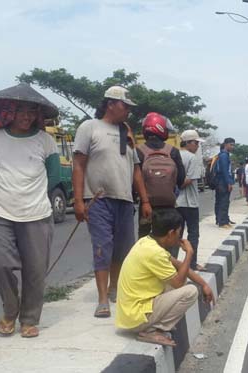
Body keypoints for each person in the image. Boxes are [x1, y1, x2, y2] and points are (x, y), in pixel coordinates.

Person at [0, 83, 60, 338]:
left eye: (32, 111)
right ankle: (10, 311)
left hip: (37, 214)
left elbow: (53, 176)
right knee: (0, 265)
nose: (27, 116)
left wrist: (34, 196)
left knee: (35, 271)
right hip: (1, 212)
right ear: (10, 111)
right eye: (21, 110)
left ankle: (29, 319)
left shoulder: (46, 141)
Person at [72, 86, 151, 318]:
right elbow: (78, 164)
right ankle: (102, 299)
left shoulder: (126, 132)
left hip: (124, 200)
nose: (127, 110)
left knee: (122, 249)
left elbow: (135, 168)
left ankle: (115, 288)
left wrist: (145, 200)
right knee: (102, 248)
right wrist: (78, 201)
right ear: (110, 104)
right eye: (124, 106)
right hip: (98, 200)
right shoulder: (90, 127)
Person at [115, 209, 214, 347]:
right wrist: (189, 254)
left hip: (129, 313)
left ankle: (154, 324)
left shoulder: (147, 242)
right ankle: (153, 329)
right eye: (179, 233)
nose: (180, 237)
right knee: (190, 291)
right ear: (170, 233)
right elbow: (179, 283)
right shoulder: (155, 253)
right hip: (136, 317)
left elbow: (179, 265)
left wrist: (204, 284)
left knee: (177, 282)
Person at [136, 112, 186, 245]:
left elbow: (134, 181)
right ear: (162, 129)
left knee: (144, 242)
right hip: (169, 206)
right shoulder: (173, 151)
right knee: (169, 241)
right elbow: (181, 179)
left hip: (146, 207)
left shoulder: (138, 151)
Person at [176, 130, 205, 270]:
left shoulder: (174, 155)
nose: (198, 146)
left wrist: (173, 189)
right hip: (190, 203)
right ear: (188, 143)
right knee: (193, 234)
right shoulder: (193, 158)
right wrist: (179, 186)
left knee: (176, 235)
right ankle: (192, 264)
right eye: (196, 142)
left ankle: (172, 263)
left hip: (176, 203)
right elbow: (189, 180)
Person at [215, 138, 236, 228]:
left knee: (221, 201)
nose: (232, 147)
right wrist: (229, 183)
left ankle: (223, 219)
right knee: (223, 201)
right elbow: (224, 171)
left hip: (222, 181)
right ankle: (222, 222)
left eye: (233, 145)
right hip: (222, 182)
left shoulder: (224, 155)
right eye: (231, 145)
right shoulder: (224, 155)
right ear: (226, 144)